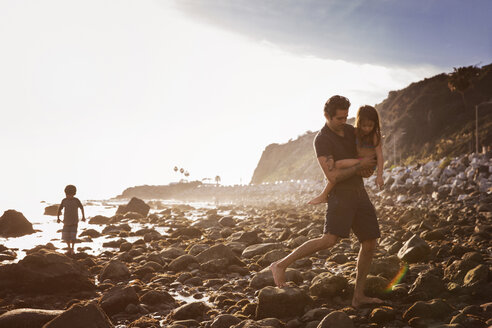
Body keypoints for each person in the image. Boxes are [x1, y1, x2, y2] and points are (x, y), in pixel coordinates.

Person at [270, 95, 383, 308]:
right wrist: (360, 165)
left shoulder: (351, 131)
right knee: (330, 239)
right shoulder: (322, 140)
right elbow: (333, 177)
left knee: (369, 242)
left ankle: (358, 296)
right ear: (327, 116)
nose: (344, 122)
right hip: (340, 195)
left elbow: (369, 157)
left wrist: (370, 168)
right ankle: (280, 265)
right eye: (339, 118)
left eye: (346, 117)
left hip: (360, 192)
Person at [308, 105, 384, 205]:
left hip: (368, 166)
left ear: (375, 124)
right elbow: (334, 176)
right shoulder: (354, 132)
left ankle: (323, 195)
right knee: (337, 169)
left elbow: (380, 155)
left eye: (370, 126)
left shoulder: (374, 136)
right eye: (364, 126)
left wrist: (379, 176)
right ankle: (324, 195)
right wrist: (361, 163)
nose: (367, 129)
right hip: (360, 164)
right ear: (359, 122)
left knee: (338, 168)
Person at [57, 184, 85, 254]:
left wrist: (83, 217)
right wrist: (58, 218)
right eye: (67, 195)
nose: (69, 196)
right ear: (66, 194)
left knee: (73, 236)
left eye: (71, 195)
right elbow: (59, 209)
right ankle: (69, 248)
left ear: (74, 194)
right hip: (66, 222)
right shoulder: (64, 200)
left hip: (74, 221)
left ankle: (72, 248)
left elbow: (81, 207)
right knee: (66, 236)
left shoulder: (76, 200)